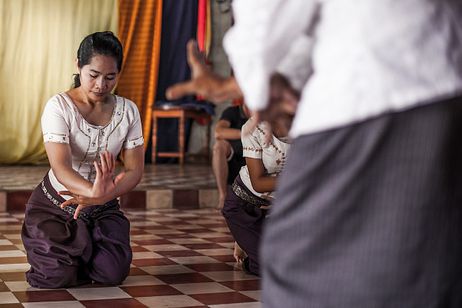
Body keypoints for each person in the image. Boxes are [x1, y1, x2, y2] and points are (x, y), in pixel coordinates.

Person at [166, 1, 462, 307]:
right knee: (424, 258)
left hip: (375, 89)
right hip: (442, 71)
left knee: (297, 266)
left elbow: (268, 14)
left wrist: (252, 78)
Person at [21, 31, 144, 289]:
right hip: (57, 205)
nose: (101, 85)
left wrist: (100, 198)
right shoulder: (59, 106)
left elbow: (134, 170)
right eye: (94, 75)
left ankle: (82, 252)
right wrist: (92, 191)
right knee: (55, 277)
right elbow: (61, 167)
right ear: (78, 65)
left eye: (111, 77)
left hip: (104, 207)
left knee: (112, 274)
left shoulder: (129, 110)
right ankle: (66, 256)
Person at [222, 118, 290, 276]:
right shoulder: (253, 127)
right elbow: (259, 183)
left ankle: (248, 241)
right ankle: (248, 251)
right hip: (243, 207)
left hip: (279, 208)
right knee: (272, 268)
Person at [213, 103, 250, 209]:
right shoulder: (232, 112)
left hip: (257, 162)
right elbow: (218, 132)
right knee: (218, 147)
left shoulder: (264, 112)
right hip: (234, 162)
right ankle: (223, 195)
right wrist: (246, 132)